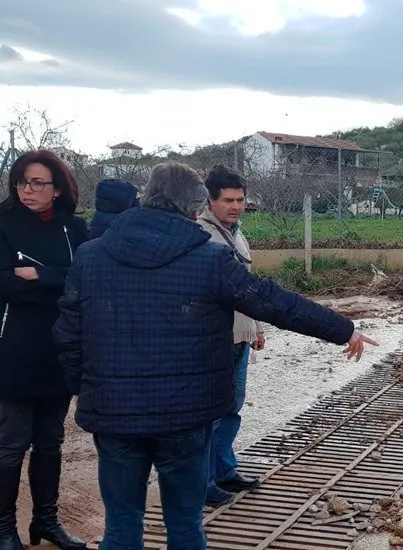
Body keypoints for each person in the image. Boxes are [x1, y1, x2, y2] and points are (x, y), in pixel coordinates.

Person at [52, 161, 378, 550]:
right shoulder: (209, 259)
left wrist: (89, 389)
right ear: (195, 207)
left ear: (146, 197)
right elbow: (274, 302)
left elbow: (67, 336)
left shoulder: (90, 257)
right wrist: (344, 329)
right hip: (185, 417)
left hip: (114, 415)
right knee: (186, 524)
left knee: (121, 526)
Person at [0, 150, 89, 550]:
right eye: (21, 181)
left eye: (37, 182)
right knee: (11, 444)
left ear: (57, 188)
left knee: (51, 442)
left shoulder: (75, 229)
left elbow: (84, 282)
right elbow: (6, 284)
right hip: (13, 351)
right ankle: (3, 530)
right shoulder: (3, 223)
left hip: (59, 349)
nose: (27, 190)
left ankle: (46, 521)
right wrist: (59, 284)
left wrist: (41, 274)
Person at [196, 165, 264, 506]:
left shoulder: (238, 235)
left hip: (241, 336)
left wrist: (257, 327)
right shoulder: (201, 236)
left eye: (240, 199)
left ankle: (225, 470)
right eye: (228, 200)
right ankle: (204, 481)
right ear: (210, 200)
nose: (235, 206)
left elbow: (248, 289)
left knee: (232, 408)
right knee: (209, 413)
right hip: (214, 341)